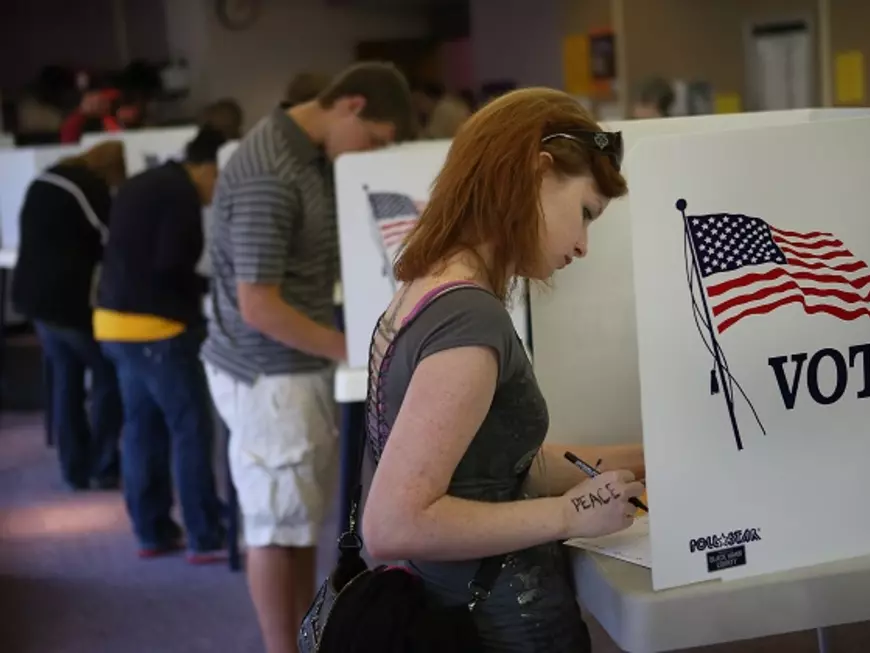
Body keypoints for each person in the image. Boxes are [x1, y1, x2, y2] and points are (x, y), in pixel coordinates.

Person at [361, 87, 646, 652]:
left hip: (466, 609)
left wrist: (649, 457)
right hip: (502, 626)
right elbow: (392, 525)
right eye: (584, 214)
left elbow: (493, 470)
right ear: (535, 175)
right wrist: (568, 516)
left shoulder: (428, 289)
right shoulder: (470, 320)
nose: (584, 245)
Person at [201, 61, 416, 653]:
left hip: (291, 368)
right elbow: (258, 305)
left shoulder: (309, 160)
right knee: (274, 529)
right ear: (349, 105)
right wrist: (355, 351)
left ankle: (297, 640)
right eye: (373, 139)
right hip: (268, 374)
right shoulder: (272, 170)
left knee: (295, 525)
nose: (369, 153)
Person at [94, 127, 228, 562]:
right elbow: (171, 263)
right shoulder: (180, 194)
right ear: (206, 169)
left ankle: (151, 531)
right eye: (219, 180)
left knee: (141, 429)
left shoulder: (143, 181)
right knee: (189, 429)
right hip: (158, 329)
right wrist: (210, 287)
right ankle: (204, 534)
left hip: (113, 323)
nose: (218, 192)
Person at [11, 141, 126, 490]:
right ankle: (103, 462)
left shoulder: (44, 180)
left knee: (66, 380)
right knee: (108, 373)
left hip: (34, 298)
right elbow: (113, 240)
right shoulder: (90, 190)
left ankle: (73, 468)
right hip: (67, 301)